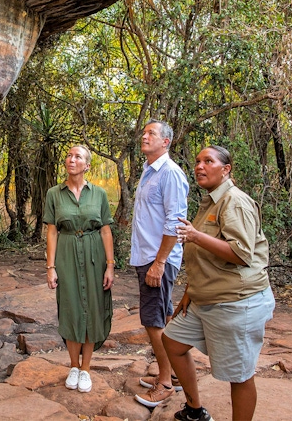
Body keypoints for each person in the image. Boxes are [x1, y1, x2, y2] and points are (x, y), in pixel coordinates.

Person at [163, 145, 275, 421]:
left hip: (236, 302)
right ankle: (195, 410)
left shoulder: (234, 202)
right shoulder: (210, 201)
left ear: (226, 170)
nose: (199, 166)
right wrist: (189, 293)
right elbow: (203, 257)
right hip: (205, 298)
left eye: (208, 161)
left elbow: (241, 253)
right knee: (172, 341)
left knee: (239, 375)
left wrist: (195, 235)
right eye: (198, 161)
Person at [44, 145, 115, 394]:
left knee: (93, 309)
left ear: (87, 166)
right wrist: (50, 267)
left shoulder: (99, 194)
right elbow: (52, 231)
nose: (71, 159)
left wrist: (110, 265)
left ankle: (86, 368)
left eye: (78, 157)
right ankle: (73, 366)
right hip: (66, 254)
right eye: (69, 155)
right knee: (71, 307)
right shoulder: (54, 193)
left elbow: (106, 230)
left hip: (95, 254)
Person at [130, 120, 189, 407]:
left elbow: (175, 223)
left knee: (152, 321)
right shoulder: (148, 171)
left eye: (151, 133)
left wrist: (159, 262)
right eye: (145, 132)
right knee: (163, 316)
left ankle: (165, 382)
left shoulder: (170, 174)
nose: (145, 135)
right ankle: (175, 375)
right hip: (148, 256)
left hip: (158, 259)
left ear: (165, 142)